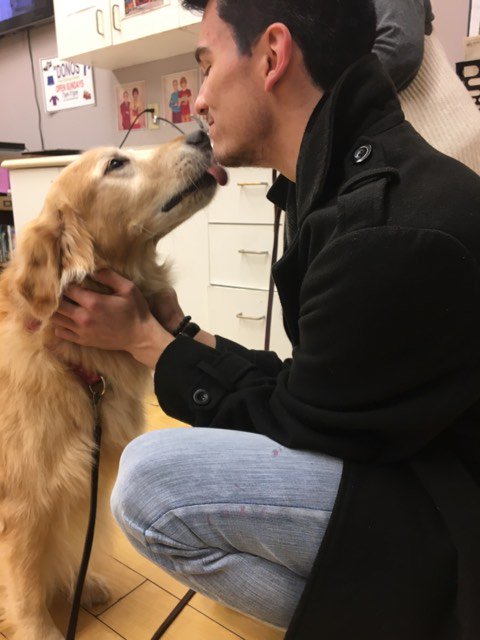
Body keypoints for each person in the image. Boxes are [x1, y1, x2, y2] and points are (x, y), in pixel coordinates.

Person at [51, 0, 480, 638]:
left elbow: (298, 425)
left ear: (272, 56)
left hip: (457, 522)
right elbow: (314, 392)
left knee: (149, 486)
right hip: (420, 464)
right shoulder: (344, 182)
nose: (196, 102)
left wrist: (147, 342)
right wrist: (181, 334)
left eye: (207, 64)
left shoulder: (382, 232)